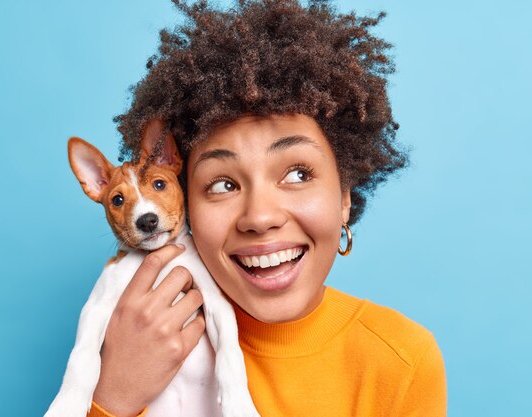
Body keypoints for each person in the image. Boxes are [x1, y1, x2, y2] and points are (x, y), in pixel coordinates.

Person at [87, 1, 447, 416]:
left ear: (344, 196)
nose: (259, 217)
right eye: (222, 184)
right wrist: (113, 396)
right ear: (184, 203)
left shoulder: (400, 360)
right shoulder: (142, 337)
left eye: (297, 174)